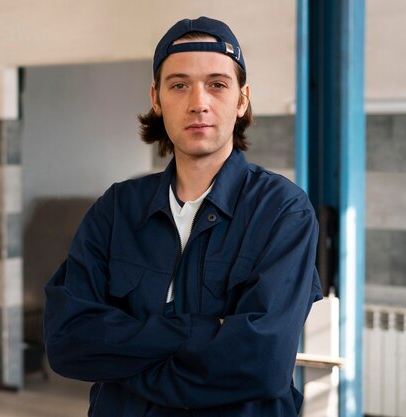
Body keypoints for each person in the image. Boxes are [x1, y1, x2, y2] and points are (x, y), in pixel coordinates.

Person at [44, 16, 322, 417]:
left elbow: (262, 363)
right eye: (179, 85)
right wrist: (201, 331)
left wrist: (127, 365)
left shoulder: (282, 210)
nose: (199, 103)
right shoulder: (117, 209)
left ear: (242, 99)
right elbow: (67, 341)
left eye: (217, 84)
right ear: (156, 99)